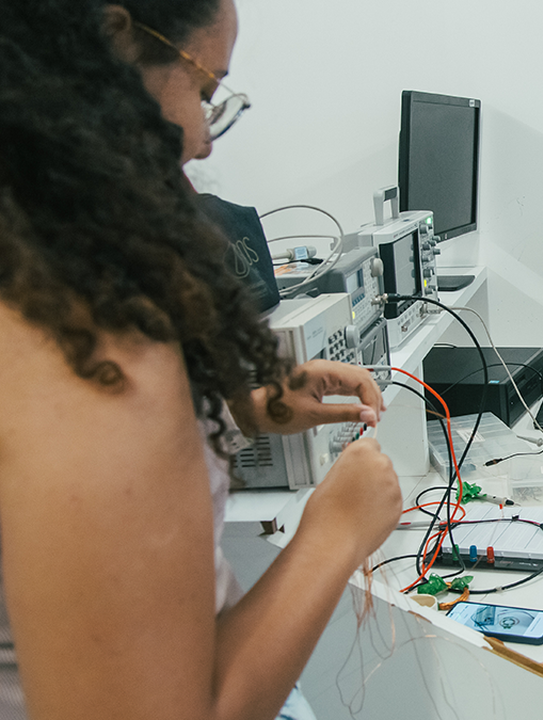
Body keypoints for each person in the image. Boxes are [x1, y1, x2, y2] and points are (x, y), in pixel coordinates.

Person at [0, 2, 403, 719]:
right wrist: (336, 532)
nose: (203, 139)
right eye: (205, 89)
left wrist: (239, 409)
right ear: (112, 46)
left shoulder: (32, 272)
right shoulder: (89, 349)